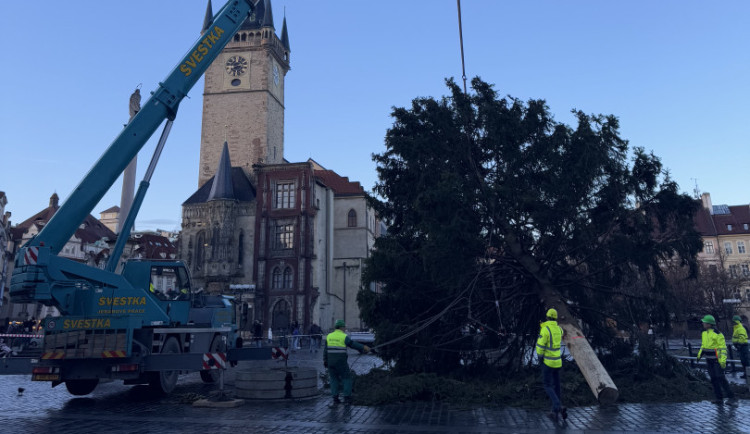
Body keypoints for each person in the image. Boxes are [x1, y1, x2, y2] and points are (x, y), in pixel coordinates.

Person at [324, 319, 371, 405]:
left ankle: (335, 398)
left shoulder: (329, 336)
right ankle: (347, 398)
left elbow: (325, 350)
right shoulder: (343, 336)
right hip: (341, 362)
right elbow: (352, 344)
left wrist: (325, 361)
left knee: (333, 379)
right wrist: (364, 347)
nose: (345, 328)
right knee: (346, 378)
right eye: (344, 327)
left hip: (330, 362)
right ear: (341, 327)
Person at [697, 314, 737, 405]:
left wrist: (722, 361)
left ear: (709, 324)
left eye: (704, 322)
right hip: (709, 360)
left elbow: (723, 348)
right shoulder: (704, 333)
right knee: (713, 379)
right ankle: (719, 398)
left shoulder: (718, 334)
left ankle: (732, 397)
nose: (702, 323)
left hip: (717, 360)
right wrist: (699, 355)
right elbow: (703, 345)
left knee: (721, 378)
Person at [536, 308, 566, 422]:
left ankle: (557, 404)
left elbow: (540, 347)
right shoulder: (558, 329)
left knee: (547, 385)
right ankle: (555, 411)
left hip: (548, 363)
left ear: (547, 317)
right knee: (557, 385)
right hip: (557, 362)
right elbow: (562, 332)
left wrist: (539, 358)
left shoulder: (545, 329)